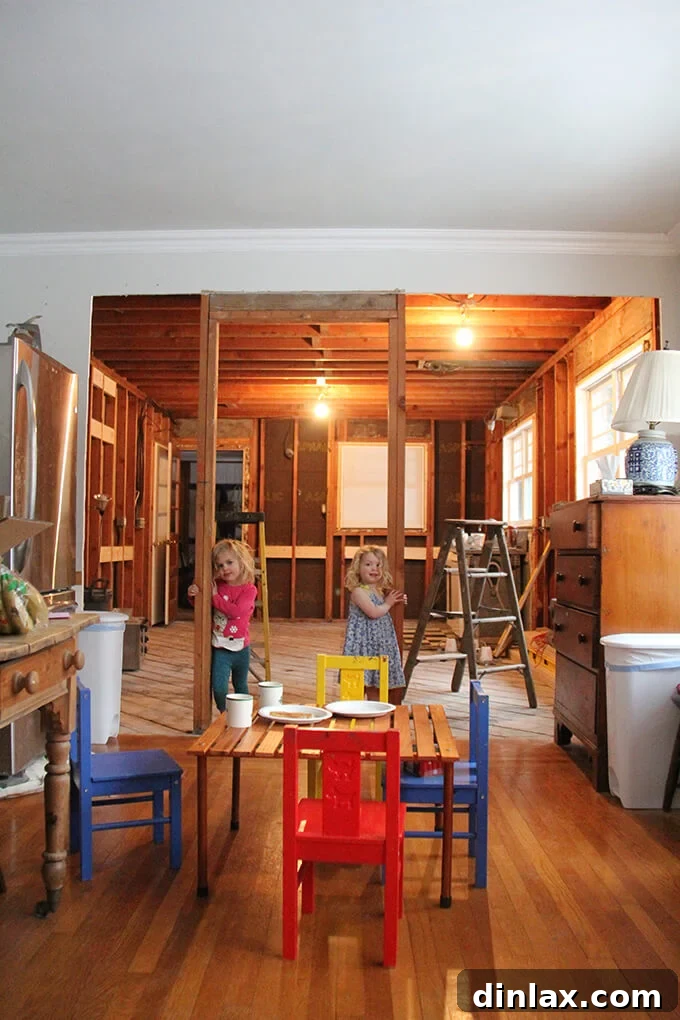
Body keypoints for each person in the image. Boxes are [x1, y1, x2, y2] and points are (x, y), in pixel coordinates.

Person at [187, 538, 257, 712]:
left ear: (241, 562)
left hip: (241, 648)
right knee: (219, 688)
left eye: (229, 562)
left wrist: (214, 597)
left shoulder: (249, 590)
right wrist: (193, 595)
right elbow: (202, 605)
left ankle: (243, 716)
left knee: (241, 686)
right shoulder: (216, 586)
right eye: (219, 565)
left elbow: (236, 612)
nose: (224, 568)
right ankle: (224, 714)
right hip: (220, 647)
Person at [342, 545, 407, 705]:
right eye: (368, 564)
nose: (374, 569)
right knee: (358, 685)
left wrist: (397, 601)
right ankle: (354, 712)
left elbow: (384, 607)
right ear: (358, 568)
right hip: (363, 646)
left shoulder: (378, 591)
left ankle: (375, 712)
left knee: (375, 686)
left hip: (378, 645)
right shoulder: (358, 592)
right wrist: (388, 603)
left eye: (378, 565)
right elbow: (373, 612)